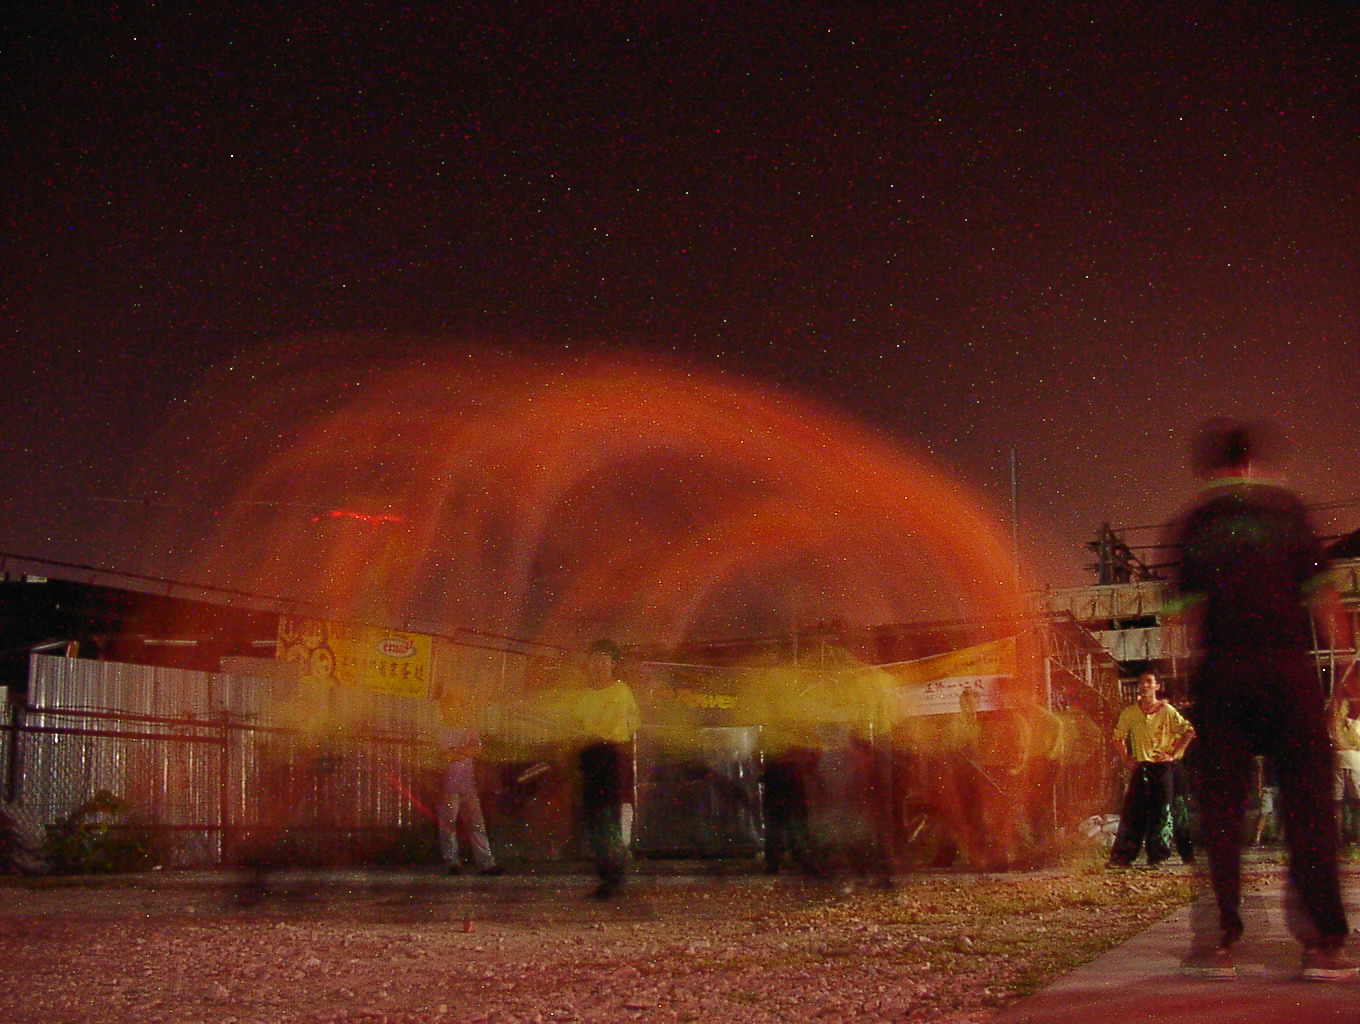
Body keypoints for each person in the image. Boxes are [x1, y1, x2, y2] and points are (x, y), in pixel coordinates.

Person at [1168, 417, 1356, 981]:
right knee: (1309, 807)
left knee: (1221, 811)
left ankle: (1219, 944)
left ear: (1209, 469)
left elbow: (1183, 616)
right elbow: (1325, 599)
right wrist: (1344, 669)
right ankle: (1323, 945)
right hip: (1286, 672)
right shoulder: (1289, 512)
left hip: (1224, 673)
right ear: (1251, 462)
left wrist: (1181, 679)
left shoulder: (1196, 523)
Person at [571, 639, 640, 899]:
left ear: (614, 664)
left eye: (604, 658)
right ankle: (606, 876)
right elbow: (576, 723)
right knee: (593, 819)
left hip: (610, 756)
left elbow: (617, 727)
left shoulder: (621, 692)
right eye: (595, 658)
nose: (598, 664)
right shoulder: (584, 694)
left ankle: (614, 877)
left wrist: (588, 734)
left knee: (607, 818)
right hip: (589, 758)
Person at [1107, 672, 1195, 868]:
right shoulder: (1129, 713)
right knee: (1133, 812)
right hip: (1141, 767)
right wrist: (1126, 759)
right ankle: (1122, 857)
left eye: (1149, 682)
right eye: (1141, 682)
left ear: (1157, 686)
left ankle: (1158, 856)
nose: (1144, 686)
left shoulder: (1167, 711)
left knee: (1163, 811)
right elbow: (1117, 737)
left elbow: (1189, 731)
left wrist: (1173, 754)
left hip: (1163, 767)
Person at [435, 684, 502, 876]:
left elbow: (475, 750)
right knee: (449, 825)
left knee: (476, 825)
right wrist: (464, 750)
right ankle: (453, 862)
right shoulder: (440, 732)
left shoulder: (469, 730)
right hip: (448, 787)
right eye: (450, 708)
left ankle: (486, 863)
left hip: (468, 787)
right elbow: (445, 756)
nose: (453, 711)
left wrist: (456, 752)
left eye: (456, 707)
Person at [1328, 665, 1360, 844]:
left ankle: (1347, 835)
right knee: (1341, 802)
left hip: (1348, 760)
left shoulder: (1350, 722)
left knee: (1344, 801)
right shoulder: (1339, 722)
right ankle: (1341, 836)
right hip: (1347, 761)